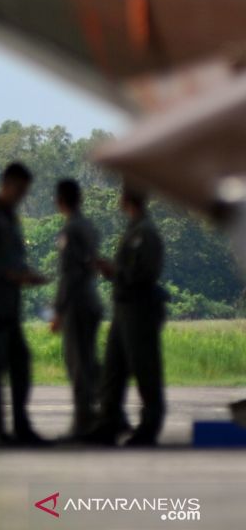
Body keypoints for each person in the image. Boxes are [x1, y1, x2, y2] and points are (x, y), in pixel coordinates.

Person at [0, 162, 51, 447]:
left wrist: (24, 274)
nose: (21, 196)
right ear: (6, 184)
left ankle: (21, 427)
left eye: (24, 191)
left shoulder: (10, 218)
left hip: (10, 301)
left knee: (20, 364)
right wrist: (12, 274)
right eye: (18, 189)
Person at [88, 185, 167, 447]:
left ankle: (149, 426)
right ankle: (107, 423)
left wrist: (114, 271)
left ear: (126, 200)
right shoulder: (134, 230)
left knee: (145, 368)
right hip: (124, 309)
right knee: (114, 368)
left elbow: (143, 274)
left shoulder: (144, 233)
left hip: (139, 308)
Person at [50, 179, 102, 439]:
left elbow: (69, 275)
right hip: (91, 300)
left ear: (60, 201)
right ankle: (108, 415)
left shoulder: (70, 230)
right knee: (90, 363)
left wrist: (58, 310)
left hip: (77, 304)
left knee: (78, 365)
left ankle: (83, 425)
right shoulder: (89, 226)